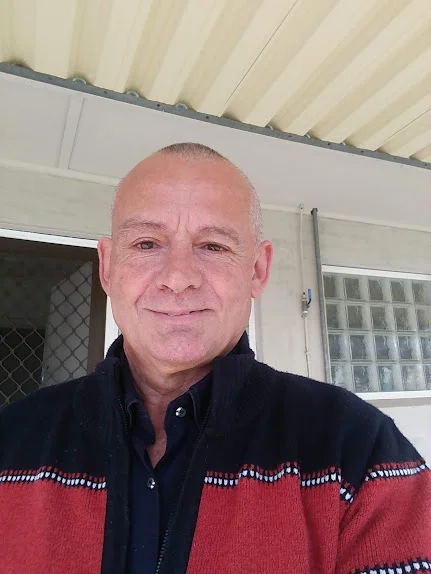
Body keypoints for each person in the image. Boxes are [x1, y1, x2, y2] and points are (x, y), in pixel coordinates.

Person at [0, 142, 430, 574]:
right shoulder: (11, 439)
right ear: (108, 267)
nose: (178, 278)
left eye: (213, 246)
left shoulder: (356, 448)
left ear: (257, 270)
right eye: (147, 243)